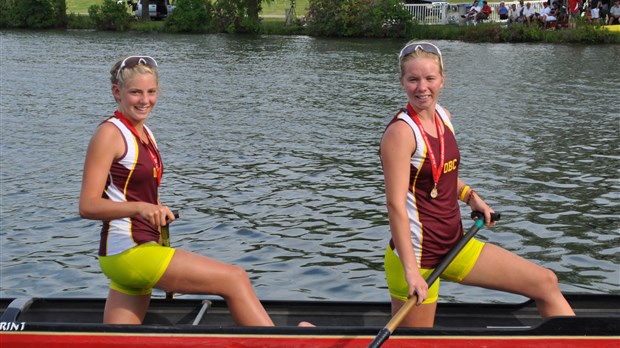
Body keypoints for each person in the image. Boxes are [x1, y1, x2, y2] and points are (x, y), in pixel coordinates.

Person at [79, 56, 312, 327]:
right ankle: (281, 346)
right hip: (130, 252)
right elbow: (88, 205)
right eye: (135, 92)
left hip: (138, 251)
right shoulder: (109, 134)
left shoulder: (145, 134)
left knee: (119, 341)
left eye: (151, 92)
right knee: (234, 278)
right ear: (117, 92)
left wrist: (156, 210)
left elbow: (138, 193)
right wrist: (141, 208)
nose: (144, 100)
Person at [379, 41, 576, 328]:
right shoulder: (400, 133)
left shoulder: (444, 117)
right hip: (417, 258)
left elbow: (440, 174)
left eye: (430, 78)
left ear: (443, 80)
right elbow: (395, 204)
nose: (422, 87)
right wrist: (411, 271)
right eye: (413, 79)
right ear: (402, 82)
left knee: (545, 282)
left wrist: (471, 196)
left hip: (454, 245)